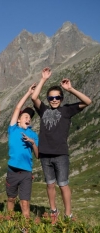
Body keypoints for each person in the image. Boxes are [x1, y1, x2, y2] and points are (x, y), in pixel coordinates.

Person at [31, 67, 92, 221]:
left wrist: (70, 89)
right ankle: (53, 212)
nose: (54, 100)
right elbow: (34, 97)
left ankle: (68, 214)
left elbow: (88, 101)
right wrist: (43, 79)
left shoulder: (67, 110)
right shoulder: (43, 110)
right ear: (48, 99)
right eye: (51, 98)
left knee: (63, 184)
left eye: (57, 97)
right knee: (50, 185)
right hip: (45, 154)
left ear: (62, 98)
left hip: (61, 154)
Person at [6, 84, 39, 218]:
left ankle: (26, 227)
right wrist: (28, 92)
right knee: (11, 199)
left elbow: (38, 155)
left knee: (25, 202)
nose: (28, 118)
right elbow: (18, 108)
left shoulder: (34, 135)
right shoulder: (13, 129)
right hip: (12, 170)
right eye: (25, 116)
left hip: (26, 171)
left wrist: (32, 143)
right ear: (18, 119)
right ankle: (9, 222)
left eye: (30, 117)